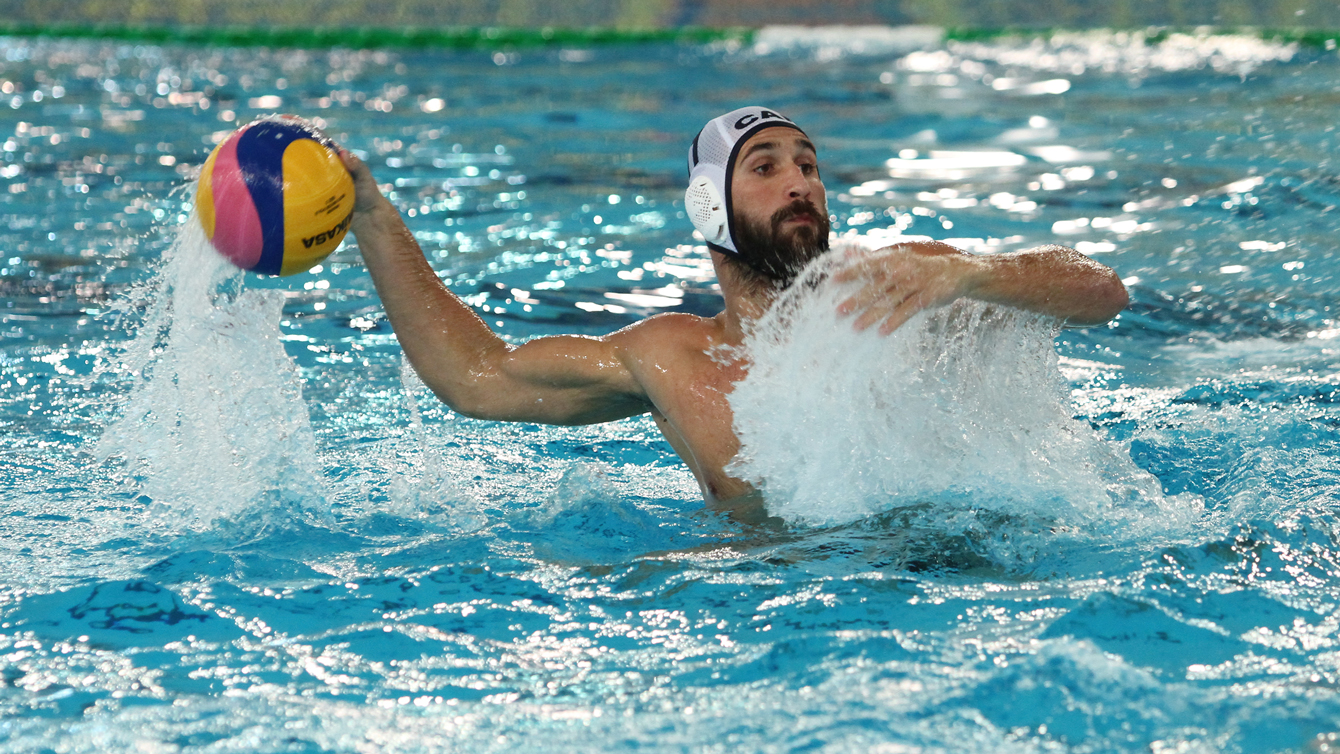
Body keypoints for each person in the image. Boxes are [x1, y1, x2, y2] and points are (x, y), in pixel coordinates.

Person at [339, 106, 1129, 504]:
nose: (801, 183)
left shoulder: (905, 282)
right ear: (710, 207)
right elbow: (476, 379)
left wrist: (975, 276)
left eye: (809, 166)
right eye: (766, 167)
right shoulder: (669, 358)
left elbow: (1103, 294)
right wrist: (374, 219)